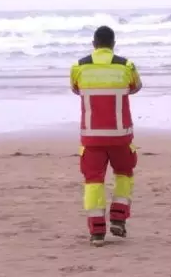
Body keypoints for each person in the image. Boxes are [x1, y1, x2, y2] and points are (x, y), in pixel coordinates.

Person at [69, 25, 143, 247]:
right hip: (121, 136)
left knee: (93, 182)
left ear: (94, 44)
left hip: (91, 138)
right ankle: (119, 218)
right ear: (113, 44)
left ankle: (97, 233)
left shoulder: (79, 67)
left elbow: (75, 89)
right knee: (124, 174)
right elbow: (136, 87)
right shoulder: (126, 66)